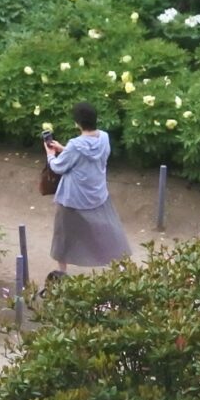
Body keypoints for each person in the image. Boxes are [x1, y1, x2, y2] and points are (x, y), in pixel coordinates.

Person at [44, 102, 130, 277]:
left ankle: (62, 273)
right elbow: (89, 158)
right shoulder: (104, 138)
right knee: (109, 231)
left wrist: (51, 154)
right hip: (98, 194)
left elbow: (58, 167)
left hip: (73, 198)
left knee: (64, 236)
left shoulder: (76, 145)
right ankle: (122, 267)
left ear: (77, 122)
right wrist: (65, 149)